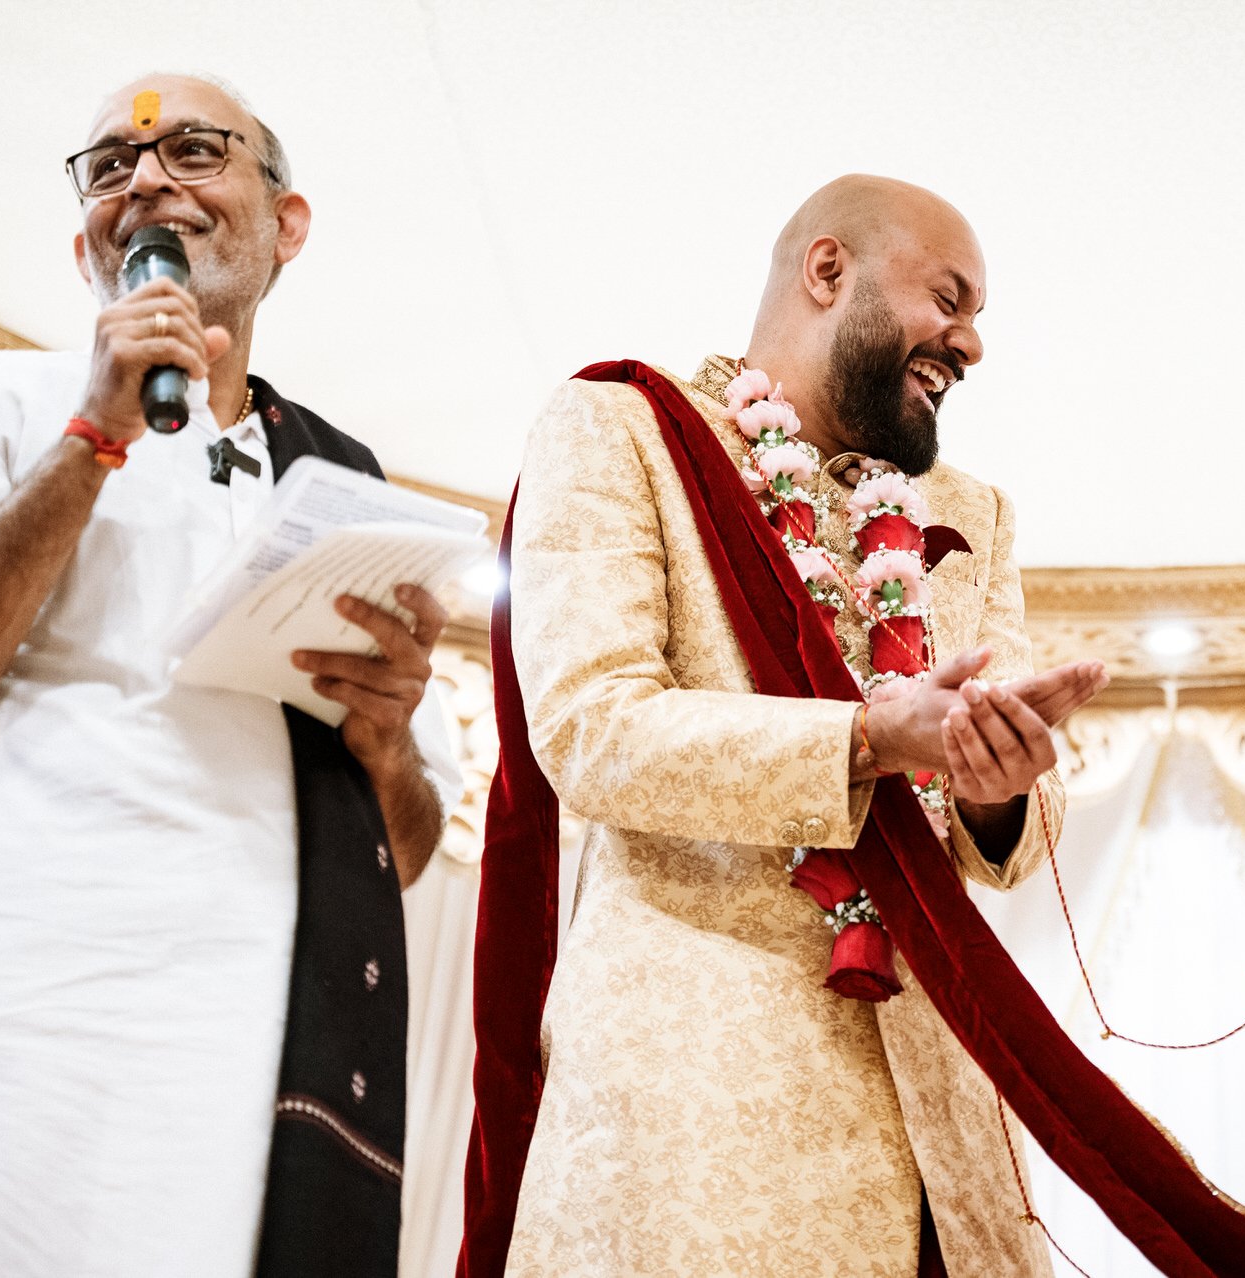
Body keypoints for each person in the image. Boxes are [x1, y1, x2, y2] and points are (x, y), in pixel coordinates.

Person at [462, 175, 1108, 1276]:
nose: (971, 346)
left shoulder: (972, 513)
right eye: (950, 301)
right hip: (699, 1110)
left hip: (941, 1126)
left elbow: (1013, 839)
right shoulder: (623, 428)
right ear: (827, 270)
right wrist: (866, 741)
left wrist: (998, 785)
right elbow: (592, 729)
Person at [0, 74, 459, 1277]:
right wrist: (92, 438)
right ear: (86, 249)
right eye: (112, 166)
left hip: (259, 1061)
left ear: (287, 226)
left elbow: (408, 854)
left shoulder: (349, 491)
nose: (148, 180)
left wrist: (385, 739)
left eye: (194, 151)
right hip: (8, 1026)